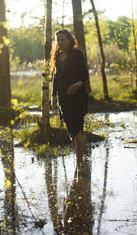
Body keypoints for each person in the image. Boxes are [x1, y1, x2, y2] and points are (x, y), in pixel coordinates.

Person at [50, 29, 89, 169]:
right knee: (71, 130)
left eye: (63, 39)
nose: (60, 42)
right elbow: (55, 77)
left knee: (77, 129)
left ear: (69, 40)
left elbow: (84, 75)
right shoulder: (56, 56)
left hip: (77, 97)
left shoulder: (77, 55)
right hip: (63, 99)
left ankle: (80, 161)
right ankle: (78, 160)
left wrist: (77, 85)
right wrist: (53, 96)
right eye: (58, 40)